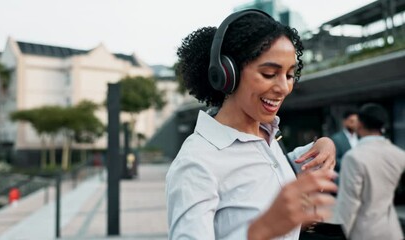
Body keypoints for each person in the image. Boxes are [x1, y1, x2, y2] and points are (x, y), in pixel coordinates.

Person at [166, 9, 338, 240]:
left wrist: (324, 145)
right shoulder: (196, 163)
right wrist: (263, 229)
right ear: (228, 73)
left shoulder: (265, 136)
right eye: (269, 73)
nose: (284, 88)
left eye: (289, 75)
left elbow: (270, 170)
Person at [333, 103, 405, 240]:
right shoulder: (399, 155)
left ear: (359, 125)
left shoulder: (353, 157)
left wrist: (339, 235)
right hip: (392, 230)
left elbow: (348, 204)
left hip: (364, 232)